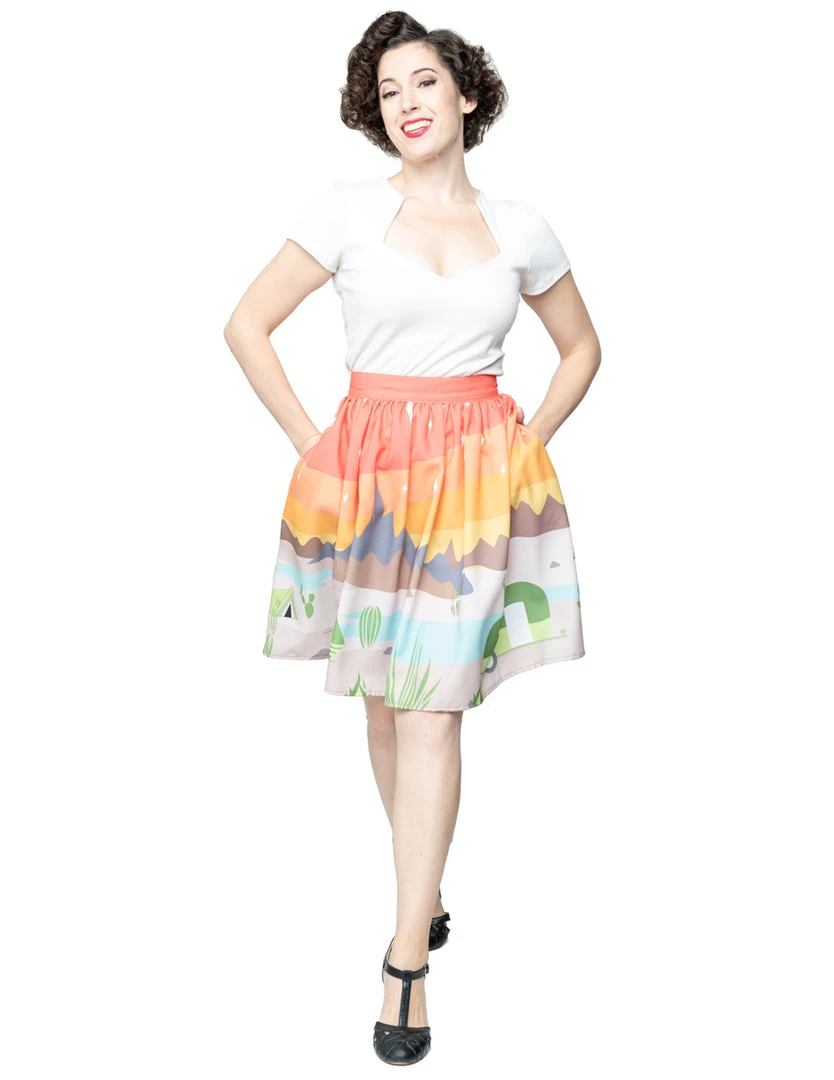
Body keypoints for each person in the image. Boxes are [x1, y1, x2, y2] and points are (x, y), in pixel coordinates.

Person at [223, 11, 601, 1067]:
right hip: (369, 484)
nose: (407, 103)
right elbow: (245, 325)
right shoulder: (344, 210)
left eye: (424, 81)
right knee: (388, 708)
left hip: (471, 487)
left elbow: (581, 348)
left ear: (467, 94)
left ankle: (405, 964)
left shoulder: (521, 226)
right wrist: (315, 444)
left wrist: (524, 441)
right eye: (387, 91)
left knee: (433, 710)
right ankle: (423, 892)